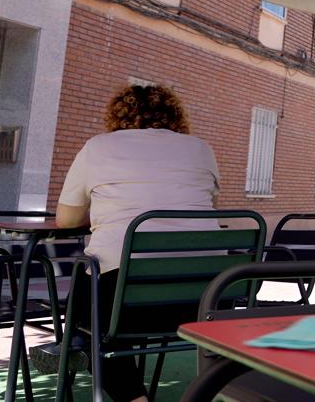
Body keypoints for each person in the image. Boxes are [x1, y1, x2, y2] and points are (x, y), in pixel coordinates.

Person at [49, 85, 220, 402]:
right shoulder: (201, 148)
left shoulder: (98, 147)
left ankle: (75, 346)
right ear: (174, 116)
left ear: (117, 115)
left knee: (91, 323)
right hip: (204, 298)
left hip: (125, 300)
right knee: (100, 311)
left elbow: (66, 221)